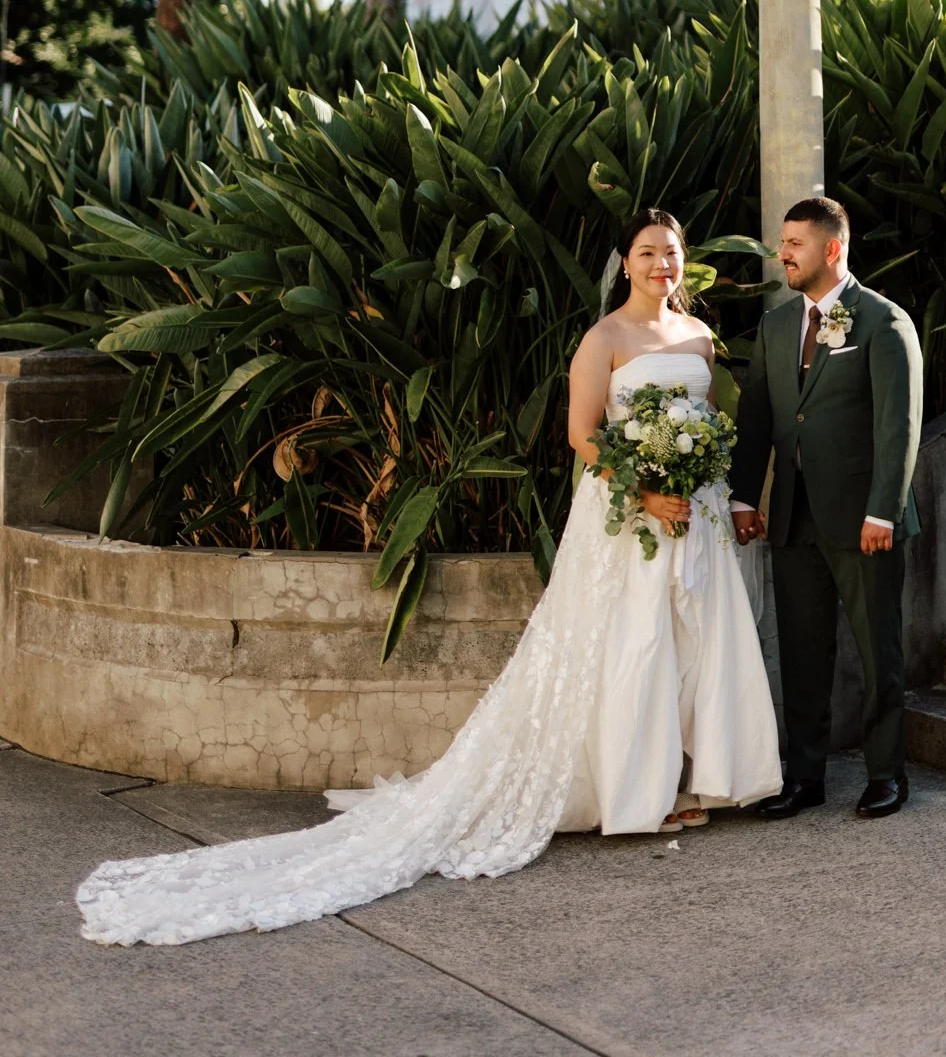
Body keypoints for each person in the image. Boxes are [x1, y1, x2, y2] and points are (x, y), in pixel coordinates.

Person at [76, 207, 781, 946]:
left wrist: (703, 488)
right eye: (646, 254)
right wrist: (643, 490)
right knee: (635, 646)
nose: (660, 266)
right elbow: (580, 435)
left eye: (670, 254)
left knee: (699, 638)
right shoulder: (603, 339)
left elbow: (709, 425)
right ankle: (643, 792)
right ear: (625, 262)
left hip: (693, 514)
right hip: (629, 514)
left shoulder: (700, 337)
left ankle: (703, 775)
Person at [730, 196, 922, 820]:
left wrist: (883, 512)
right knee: (803, 653)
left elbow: (900, 428)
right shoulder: (777, 325)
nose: (781, 253)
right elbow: (757, 417)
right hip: (792, 515)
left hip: (865, 518)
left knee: (877, 650)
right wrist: (741, 496)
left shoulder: (885, 322)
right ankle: (804, 778)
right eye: (782, 242)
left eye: (794, 244)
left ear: (831, 250)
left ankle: (887, 774)